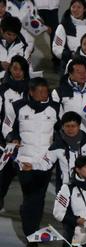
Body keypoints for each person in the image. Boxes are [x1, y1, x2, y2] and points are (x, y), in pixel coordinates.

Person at [5, 77, 59, 244]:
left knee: (39, 198)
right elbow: (7, 127)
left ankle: (32, 227)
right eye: (40, 92)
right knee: (30, 196)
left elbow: (61, 130)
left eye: (46, 91)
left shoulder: (55, 108)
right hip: (24, 160)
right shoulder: (18, 106)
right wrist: (12, 137)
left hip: (45, 162)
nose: (44, 94)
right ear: (31, 92)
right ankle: (31, 234)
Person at [0, 54, 28, 211]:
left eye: (21, 70)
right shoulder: (2, 90)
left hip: (26, 142)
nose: (18, 72)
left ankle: (27, 208)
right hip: (6, 142)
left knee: (27, 179)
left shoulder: (32, 89)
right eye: (15, 68)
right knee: (3, 176)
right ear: (10, 69)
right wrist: (8, 138)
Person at [52, 0, 86, 71]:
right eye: (73, 7)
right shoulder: (63, 27)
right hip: (70, 66)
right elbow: (56, 48)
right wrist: (73, 56)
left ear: (85, 9)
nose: (75, 10)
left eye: (79, 7)